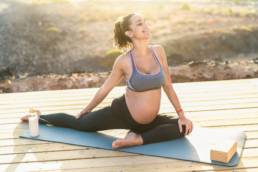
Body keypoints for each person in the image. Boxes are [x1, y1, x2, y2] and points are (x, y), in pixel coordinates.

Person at [21, 12, 193, 149]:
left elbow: (168, 86)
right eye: (140, 23)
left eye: (145, 22)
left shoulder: (158, 51)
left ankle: (137, 138)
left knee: (184, 127)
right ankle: (38, 116)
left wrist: (182, 116)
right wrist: (86, 110)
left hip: (149, 122)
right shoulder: (124, 61)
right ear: (129, 33)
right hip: (122, 114)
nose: (145, 26)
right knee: (79, 124)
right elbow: (105, 89)